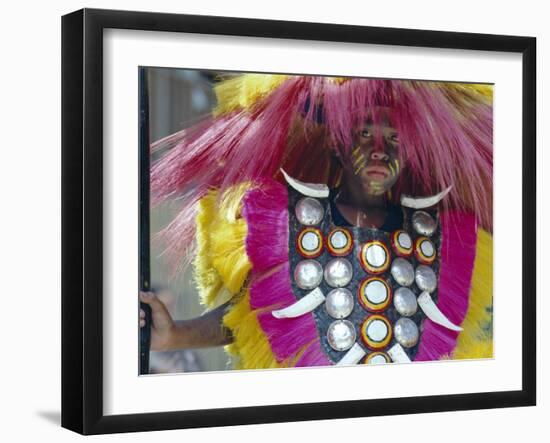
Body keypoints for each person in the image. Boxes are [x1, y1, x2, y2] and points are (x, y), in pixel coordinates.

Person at [141, 74, 493, 369]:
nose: (379, 150)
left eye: (394, 139)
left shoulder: (436, 235)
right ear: (340, 144)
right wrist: (177, 334)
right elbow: (258, 314)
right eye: (365, 133)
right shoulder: (290, 222)